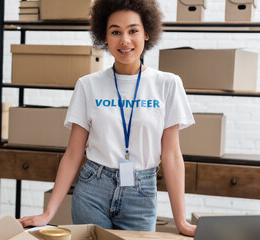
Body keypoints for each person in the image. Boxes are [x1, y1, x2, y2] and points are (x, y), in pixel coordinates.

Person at [19, 0, 196, 236]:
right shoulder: (87, 85)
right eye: (115, 32)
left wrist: (181, 221)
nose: (124, 40)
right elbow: (73, 154)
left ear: (146, 34)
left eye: (133, 30)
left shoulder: (168, 84)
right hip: (93, 188)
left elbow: (172, 155)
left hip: (142, 193)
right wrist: (48, 213)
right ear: (104, 36)